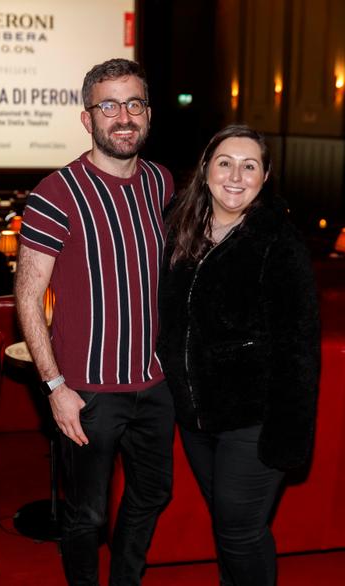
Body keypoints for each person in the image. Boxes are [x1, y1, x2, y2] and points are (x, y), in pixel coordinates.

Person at [15, 58, 175, 586]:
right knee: (88, 516)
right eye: (109, 106)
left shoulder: (160, 182)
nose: (123, 116)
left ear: (148, 114)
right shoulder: (55, 194)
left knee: (153, 492)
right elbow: (29, 296)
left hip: (154, 384)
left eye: (134, 104)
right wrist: (55, 385)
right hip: (86, 392)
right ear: (88, 119)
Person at [158, 124, 320, 586]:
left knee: (239, 533)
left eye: (250, 166)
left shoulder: (278, 242)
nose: (235, 175)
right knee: (234, 529)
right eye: (225, 162)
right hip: (197, 419)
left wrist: (289, 438)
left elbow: (300, 348)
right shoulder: (179, 227)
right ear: (206, 168)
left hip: (256, 421)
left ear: (265, 176)